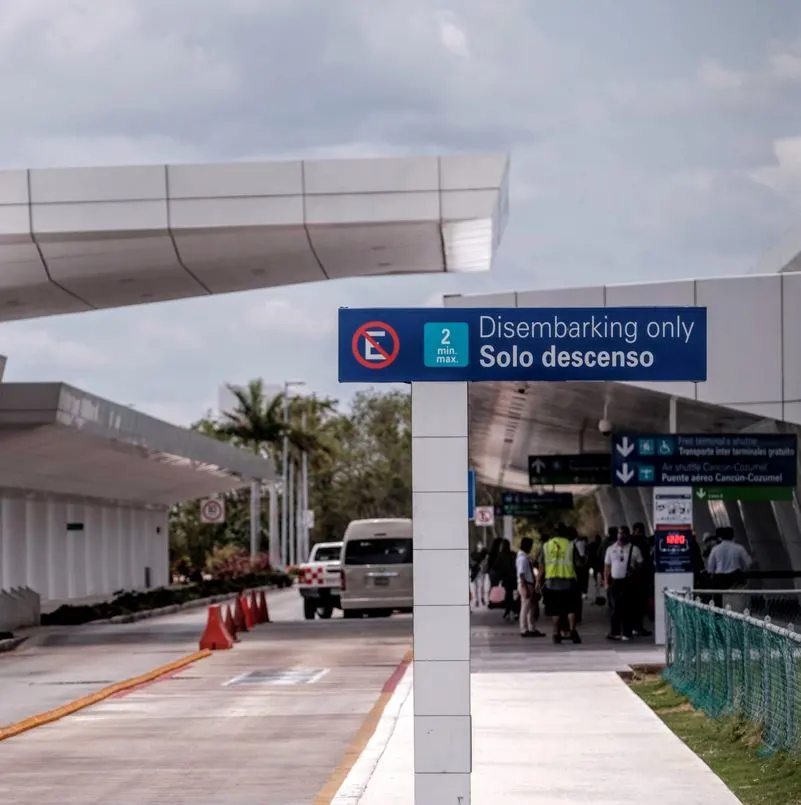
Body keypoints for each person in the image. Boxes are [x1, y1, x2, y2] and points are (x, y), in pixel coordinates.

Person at [536, 530, 581, 644]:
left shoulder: (546, 546)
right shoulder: (570, 545)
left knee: (555, 610)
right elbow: (578, 563)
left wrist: (538, 581)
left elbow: (541, 566)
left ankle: (556, 634)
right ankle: (573, 631)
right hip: (569, 582)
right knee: (571, 608)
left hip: (551, 583)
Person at [604, 527, 644, 641]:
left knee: (627, 607)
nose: (622, 536)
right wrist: (606, 582)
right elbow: (607, 567)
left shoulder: (634, 549)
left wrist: (634, 569)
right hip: (615, 582)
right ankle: (615, 631)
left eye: (624, 533)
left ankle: (627, 631)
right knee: (615, 607)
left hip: (628, 582)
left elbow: (641, 563)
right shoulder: (611, 549)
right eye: (620, 533)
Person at [706, 526, 752, 607]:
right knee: (739, 602)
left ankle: (719, 616)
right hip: (736, 578)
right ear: (733, 536)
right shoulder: (739, 548)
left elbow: (710, 568)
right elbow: (748, 564)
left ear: (721, 537)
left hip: (720, 579)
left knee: (718, 605)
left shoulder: (715, 549)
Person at [516, 537, 544, 638]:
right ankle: (524, 629)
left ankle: (532, 628)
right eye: (530, 545)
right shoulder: (522, 558)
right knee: (525, 608)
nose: (531, 548)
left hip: (529, 583)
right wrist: (525, 588)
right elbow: (521, 574)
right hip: (526, 584)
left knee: (531, 608)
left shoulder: (526, 557)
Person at [470, 542, 489, 607]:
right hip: (475, 572)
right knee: (477, 586)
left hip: (479, 572)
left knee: (480, 586)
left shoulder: (483, 554)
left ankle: (480, 599)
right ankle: (477, 600)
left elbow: (485, 562)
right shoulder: (474, 554)